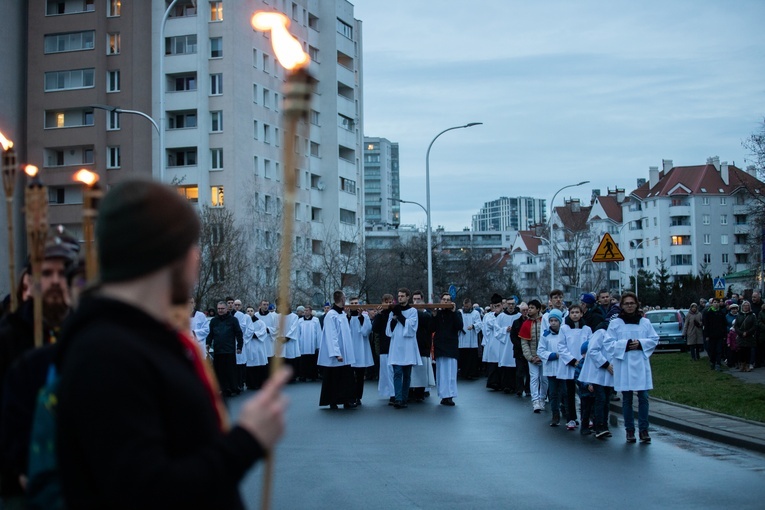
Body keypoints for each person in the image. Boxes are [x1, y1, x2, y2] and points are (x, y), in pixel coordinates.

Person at [56, 180, 289, 508]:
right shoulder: (105, 353)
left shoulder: (147, 337)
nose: (197, 259)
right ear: (165, 251)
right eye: (192, 245)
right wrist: (247, 439)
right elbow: (151, 492)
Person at [604, 292, 658, 444]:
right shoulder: (616, 323)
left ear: (636, 305)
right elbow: (608, 343)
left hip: (640, 363)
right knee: (627, 399)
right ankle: (629, 430)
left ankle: (643, 429)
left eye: (632, 303)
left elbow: (654, 339)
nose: (629, 306)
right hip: (624, 363)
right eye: (626, 303)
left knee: (643, 398)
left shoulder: (644, 323)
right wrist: (625, 345)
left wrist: (641, 343)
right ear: (621, 306)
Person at [317, 290, 357, 409]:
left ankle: (347, 400)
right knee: (333, 378)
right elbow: (331, 335)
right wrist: (336, 353)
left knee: (346, 378)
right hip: (336, 354)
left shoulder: (342, 314)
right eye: (345, 297)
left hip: (345, 352)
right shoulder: (331, 315)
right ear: (341, 299)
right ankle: (333, 401)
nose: (346, 300)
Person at [557, 305, 592, 431]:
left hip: (583, 365)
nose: (575, 315)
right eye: (572, 312)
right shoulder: (564, 328)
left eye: (577, 312)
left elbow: (590, 345)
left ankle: (586, 418)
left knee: (585, 394)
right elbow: (561, 346)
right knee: (569, 393)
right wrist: (572, 361)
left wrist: (583, 361)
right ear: (569, 314)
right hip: (569, 365)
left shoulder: (587, 329)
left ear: (582, 314)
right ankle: (571, 418)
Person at [386, 288, 420, 409]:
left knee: (407, 374)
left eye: (402, 296)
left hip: (408, 346)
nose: (400, 298)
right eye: (399, 296)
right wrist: (395, 316)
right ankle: (398, 398)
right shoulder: (394, 311)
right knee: (397, 373)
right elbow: (389, 330)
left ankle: (404, 398)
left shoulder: (413, 311)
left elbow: (411, 328)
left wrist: (399, 315)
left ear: (407, 297)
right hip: (396, 345)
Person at [432, 292, 463, 406]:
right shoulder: (438, 313)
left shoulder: (456, 313)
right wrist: (434, 315)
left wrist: (454, 312)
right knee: (441, 373)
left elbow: (459, 326)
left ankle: (450, 395)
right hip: (440, 346)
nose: (446, 301)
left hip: (451, 347)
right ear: (441, 301)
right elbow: (432, 327)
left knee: (450, 373)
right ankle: (443, 395)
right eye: (444, 299)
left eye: (448, 300)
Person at [537, 309, 565, 427]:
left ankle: (567, 412)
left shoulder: (565, 333)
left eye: (555, 321)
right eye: (551, 321)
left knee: (564, 392)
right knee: (553, 393)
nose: (553, 323)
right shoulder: (545, 335)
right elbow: (540, 351)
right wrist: (553, 355)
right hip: (551, 368)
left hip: (563, 368)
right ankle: (555, 414)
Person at [519, 299, 547, 413]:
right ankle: (535, 400)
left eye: (532, 308)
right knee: (534, 378)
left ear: (538, 309)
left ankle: (542, 399)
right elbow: (524, 343)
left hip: (544, 357)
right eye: (528, 308)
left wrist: (544, 356)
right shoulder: (526, 324)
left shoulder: (544, 321)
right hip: (532, 357)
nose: (529, 310)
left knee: (544, 379)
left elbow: (548, 339)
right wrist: (530, 357)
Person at [348, 297, 374, 405]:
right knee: (350, 376)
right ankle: (350, 396)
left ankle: (358, 396)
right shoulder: (346, 317)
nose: (354, 305)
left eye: (356, 303)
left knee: (359, 376)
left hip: (361, 349)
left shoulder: (365, 316)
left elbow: (366, 332)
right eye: (352, 303)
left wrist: (361, 318)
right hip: (350, 349)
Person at [410, 290, 435, 402]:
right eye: (414, 299)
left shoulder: (427, 314)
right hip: (411, 346)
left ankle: (420, 392)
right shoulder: (410, 312)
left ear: (422, 300)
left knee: (421, 371)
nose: (416, 301)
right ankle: (410, 392)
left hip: (423, 346)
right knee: (411, 372)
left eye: (418, 299)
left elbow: (428, 322)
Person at [496, 296, 522, 394]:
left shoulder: (519, 316)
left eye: (513, 304)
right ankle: (506, 386)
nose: (511, 306)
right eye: (509, 304)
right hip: (505, 343)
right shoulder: (501, 316)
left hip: (515, 343)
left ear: (515, 305)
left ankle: (516, 387)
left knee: (516, 366)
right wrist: (505, 329)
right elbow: (496, 329)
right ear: (506, 304)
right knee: (506, 365)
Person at [374, 294, 395, 403]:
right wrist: (378, 315)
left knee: (395, 372)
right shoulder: (381, 315)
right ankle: (390, 393)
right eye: (386, 302)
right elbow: (375, 329)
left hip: (395, 346)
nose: (388, 304)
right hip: (384, 346)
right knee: (386, 373)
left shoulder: (395, 313)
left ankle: (395, 393)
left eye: (390, 302)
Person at [244, 304, 269, 390]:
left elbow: (263, 332)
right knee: (250, 365)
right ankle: (250, 384)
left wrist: (254, 334)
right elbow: (243, 333)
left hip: (258, 346)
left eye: (251, 311)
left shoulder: (260, 322)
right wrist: (250, 335)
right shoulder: (244, 323)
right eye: (248, 311)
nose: (249, 313)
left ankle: (260, 383)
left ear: (254, 312)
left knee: (259, 364)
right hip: (249, 346)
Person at [457, 297, 482, 380]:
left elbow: (479, 323)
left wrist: (473, 326)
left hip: (471, 338)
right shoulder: (460, 312)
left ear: (470, 305)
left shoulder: (475, 313)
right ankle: (463, 372)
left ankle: (471, 373)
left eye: (467, 306)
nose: (465, 308)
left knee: (471, 357)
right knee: (463, 357)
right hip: (463, 337)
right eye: (464, 306)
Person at [482, 294, 503, 390]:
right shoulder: (489, 316)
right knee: (494, 362)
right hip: (493, 341)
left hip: (502, 342)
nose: (496, 308)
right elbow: (489, 325)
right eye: (495, 306)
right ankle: (493, 382)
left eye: (498, 305)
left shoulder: (504, 315)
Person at [702, 298, 728, 371]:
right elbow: (706, 325)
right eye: (715, 302)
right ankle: (712, 362)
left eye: (717, 302)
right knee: (712, 350)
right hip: (711, 335)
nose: (716, 304)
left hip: (719, 335)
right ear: (712, 303)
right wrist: (706, 335)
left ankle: (718, 363)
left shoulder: (721, 313)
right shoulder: (708, 312)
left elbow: (724, 325)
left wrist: (724, 335)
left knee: (719, 350)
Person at [297, 305, 320, 382]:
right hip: (303, 343)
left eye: (307, 310)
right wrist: (298, 344)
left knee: (312, 360)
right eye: (305, 310)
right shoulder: (300, 321)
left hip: (312, 343)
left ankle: (313, 375)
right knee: (303, 361)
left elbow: (319, 333)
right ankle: (303, 376)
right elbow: (298, 333)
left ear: (310, 311)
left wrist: (318, 345)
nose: (305, 312)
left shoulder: (315, 320)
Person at [733, 300, 757, 372]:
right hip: (741, 336)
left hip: (749, 336)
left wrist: (747, 332)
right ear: (742, 307)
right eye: (744, 305)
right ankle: (742, 364)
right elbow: (736, 326)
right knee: (741, 351)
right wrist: (741, 333)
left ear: (749, 307)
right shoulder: (739, 315)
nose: (745, 307)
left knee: (748, 351)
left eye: (747, 306)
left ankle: (747, 365)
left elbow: (755, 326)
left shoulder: (752, 315)